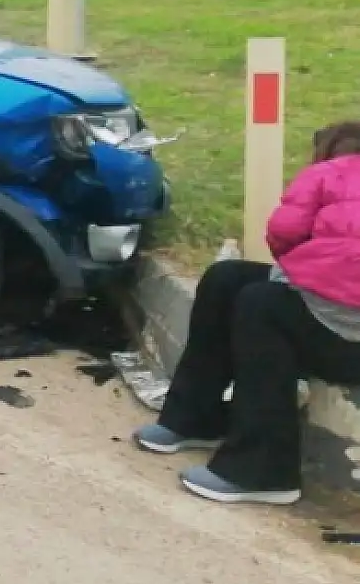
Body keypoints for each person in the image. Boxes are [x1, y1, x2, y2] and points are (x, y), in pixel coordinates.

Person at [134, 121, 360, 505]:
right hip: (340, 323)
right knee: (229, 278)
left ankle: (264, 470)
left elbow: (283, 234)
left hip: (348, 337)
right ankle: (194, 419)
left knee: (262, 304)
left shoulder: (322, 175)